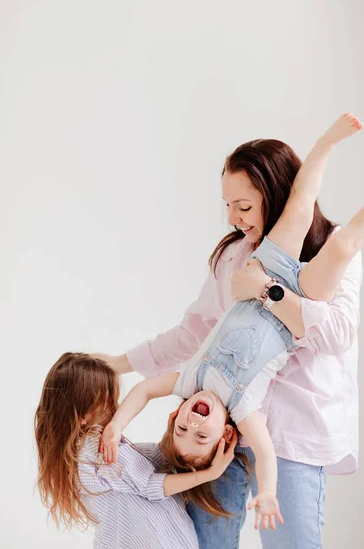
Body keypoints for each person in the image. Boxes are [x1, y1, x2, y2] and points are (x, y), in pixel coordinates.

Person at [95, 116, 363, 548]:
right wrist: (116, 363)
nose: (234, 218)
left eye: (244, 206)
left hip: (292, 439)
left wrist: (267, 292)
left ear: (274, 194)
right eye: (227, 205)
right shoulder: (233, 257)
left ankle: (326, 143)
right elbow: (190, 334)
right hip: (224, 445)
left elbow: (335, 336)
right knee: (207, 543)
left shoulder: (309, 247)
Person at [34, 352, 237, 549]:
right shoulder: (95, 448)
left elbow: (144, 471)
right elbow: (150, 485)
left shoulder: (85, 454)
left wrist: (171, 436)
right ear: (82, 416)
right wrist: (210, 473)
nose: (117, 408)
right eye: (109, 402)